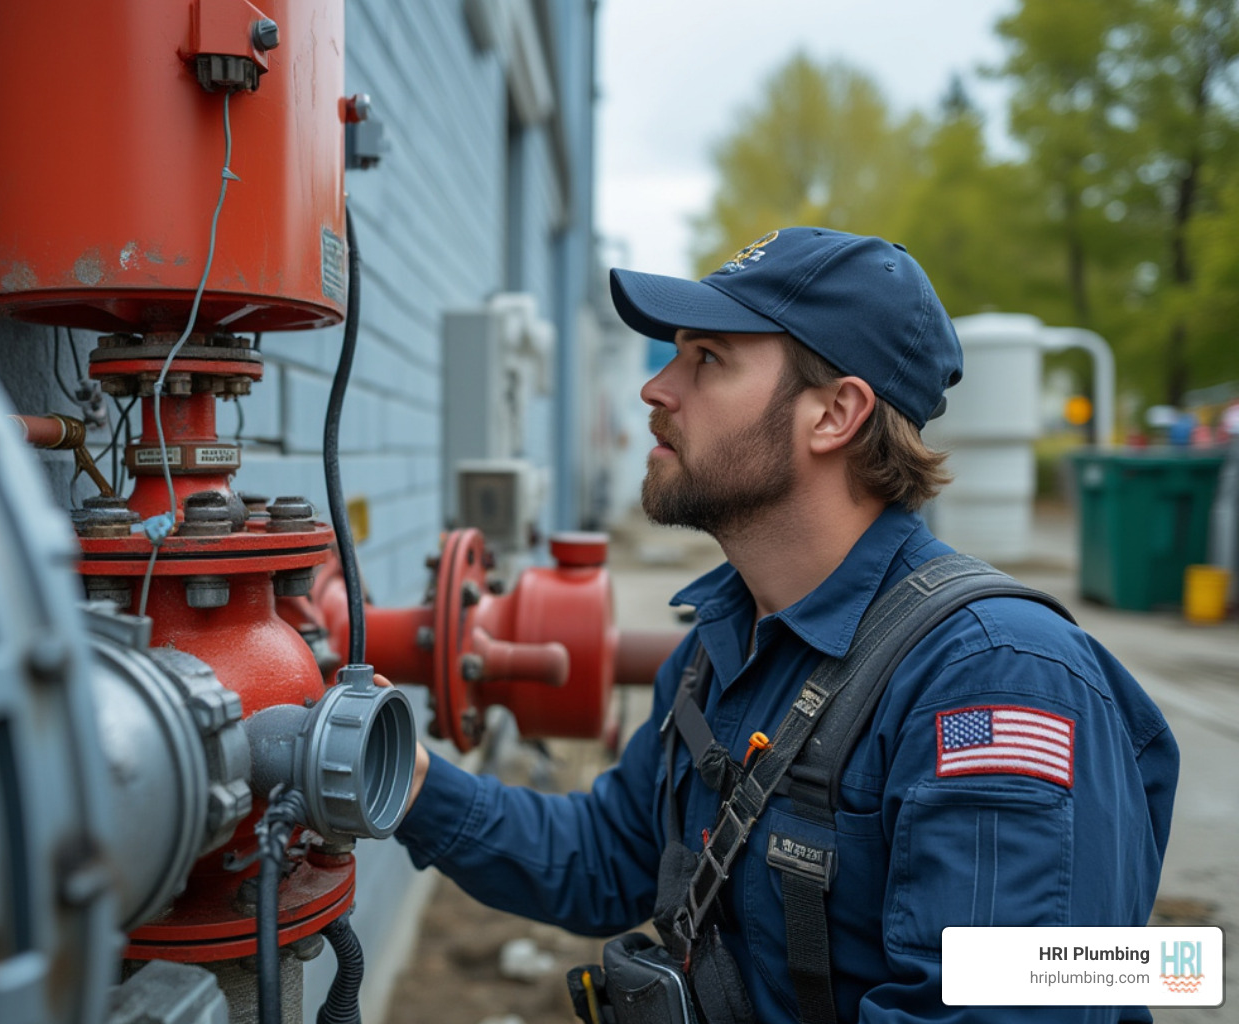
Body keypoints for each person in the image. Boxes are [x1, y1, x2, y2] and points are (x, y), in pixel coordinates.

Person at [389, 227, 1179, 1023]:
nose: (656, 389)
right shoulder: (719, 647)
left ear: (835, 413)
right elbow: (606, 858)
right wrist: (405, 778)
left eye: (708, 359)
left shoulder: (999, 678)